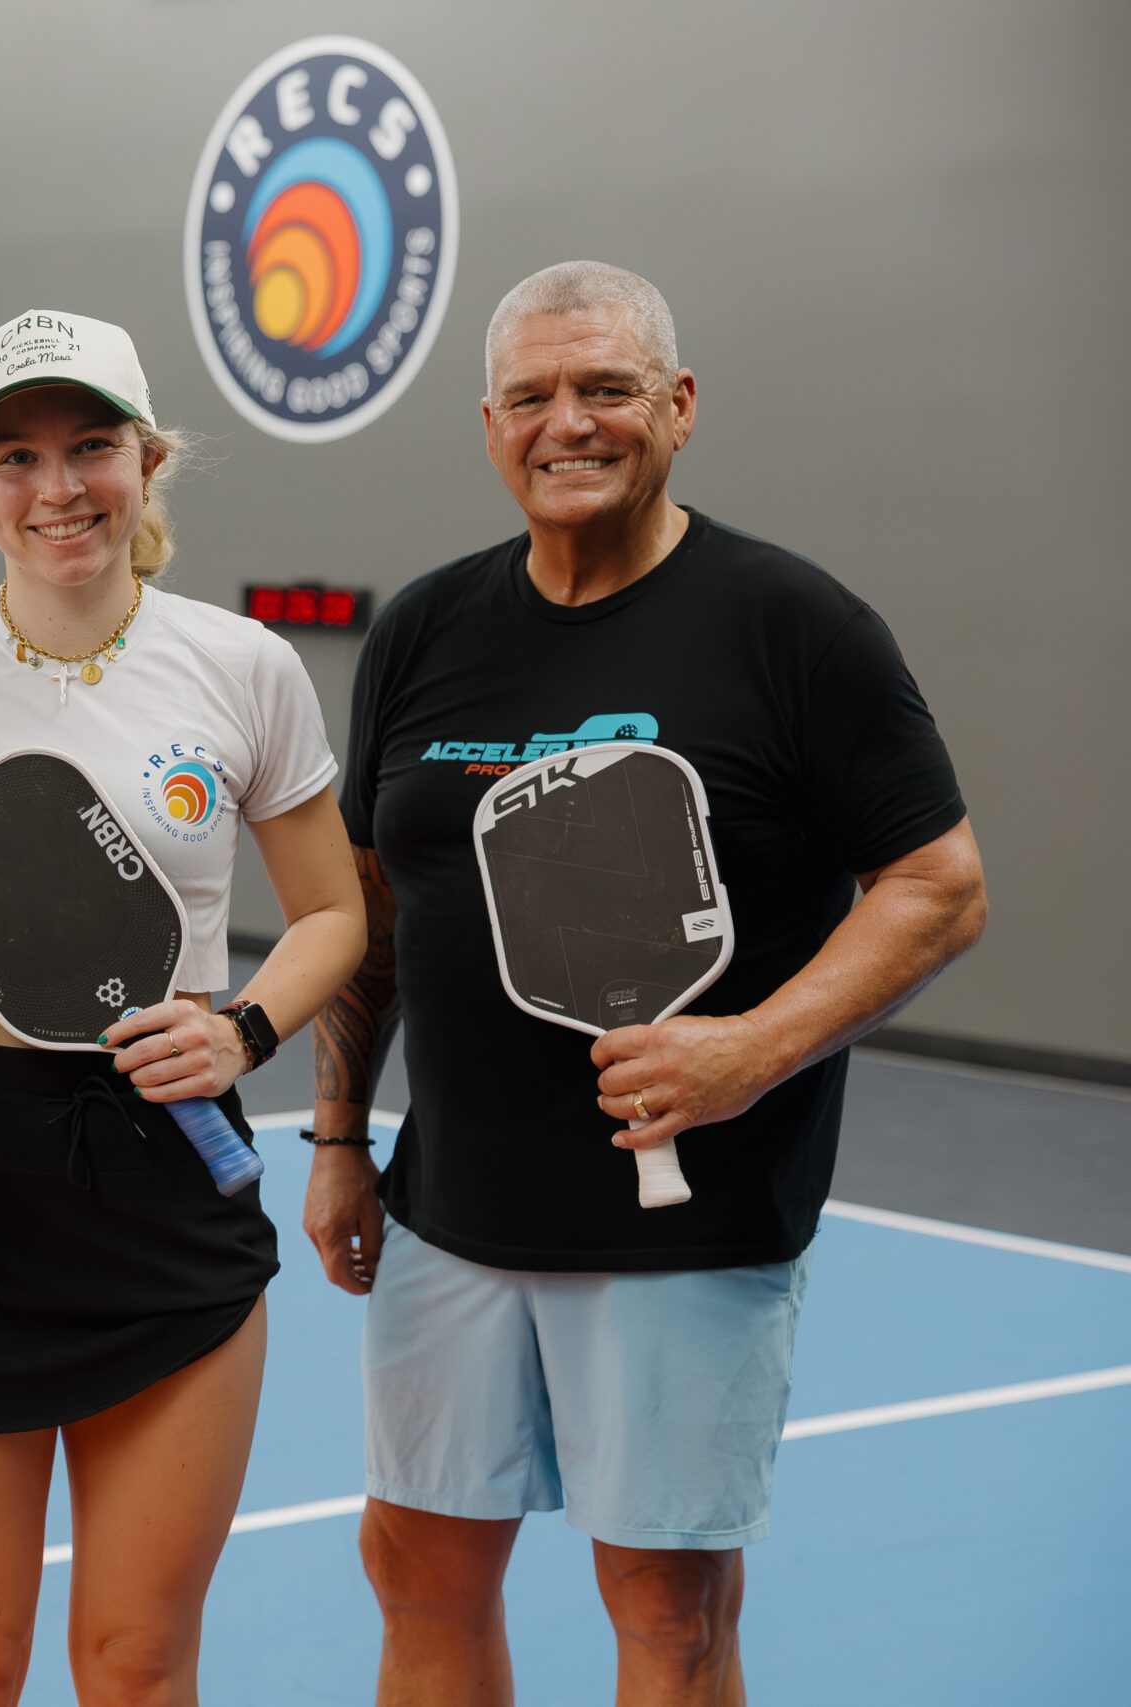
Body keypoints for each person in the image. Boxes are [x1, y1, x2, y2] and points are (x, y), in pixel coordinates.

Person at [302, 261, 987, 1706]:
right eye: (535, 397)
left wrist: (754, 1049)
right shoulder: (423, 629)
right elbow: (373, 905)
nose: (572, 424)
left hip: (692, 1229)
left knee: (666, 1614)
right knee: (414, 1569)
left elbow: (939, 887)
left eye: (607, 389)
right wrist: (340, 1138)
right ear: (489, 424)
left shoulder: (795, 627)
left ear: (677, 408)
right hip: (450, 1212)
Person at [0, 311, 366, 1705]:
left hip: (168, 1168)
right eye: (16, 456)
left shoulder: (244, 667)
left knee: (135, 1662)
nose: (58, 487)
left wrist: (244, 1029)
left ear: (148, 458)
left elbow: (337, 915)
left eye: (90, 447)